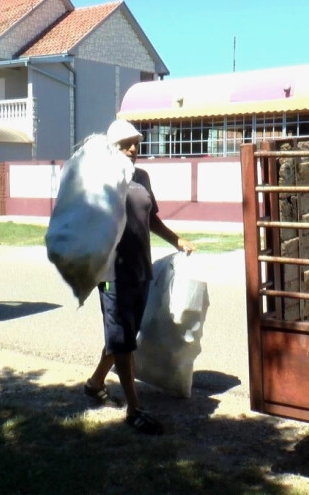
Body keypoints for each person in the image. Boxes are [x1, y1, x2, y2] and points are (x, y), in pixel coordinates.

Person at [83, 119, 195, 435]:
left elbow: (151, 218)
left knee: (124, 337)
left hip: (140, 270)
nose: (133, 148)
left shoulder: (142, 177)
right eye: (125, 143)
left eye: (136, 142)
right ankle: (134, 408)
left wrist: (177, 240)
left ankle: (94, 385)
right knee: (123, 340)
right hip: (110, 273)